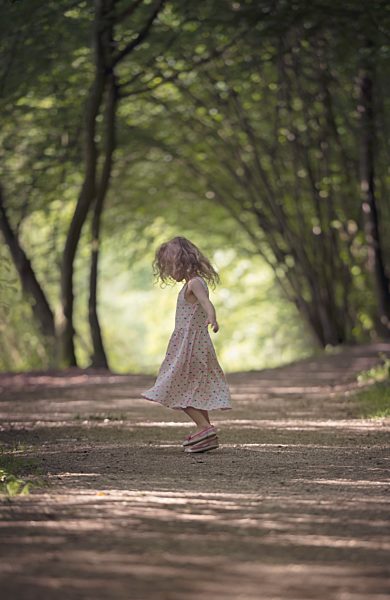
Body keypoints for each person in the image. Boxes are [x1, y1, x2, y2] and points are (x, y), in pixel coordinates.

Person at [141, 236, 232, 453]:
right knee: (192, 387)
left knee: (177, 385)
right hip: (189, 343)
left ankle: (203, 426)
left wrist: (212, 318)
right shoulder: (191, 284)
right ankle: (206, 432)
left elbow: (206, 303)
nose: (169, 273)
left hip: (190, 345)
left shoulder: (195, 283)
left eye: (169, 267)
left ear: (180, 263)